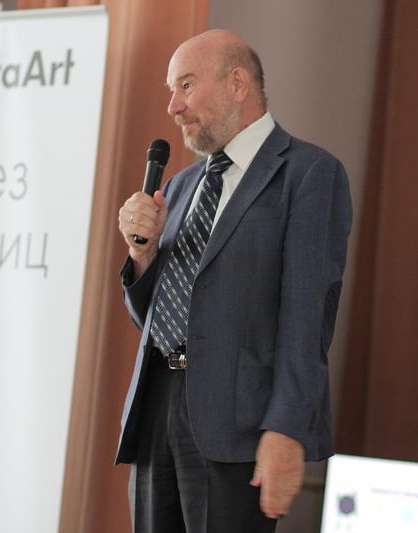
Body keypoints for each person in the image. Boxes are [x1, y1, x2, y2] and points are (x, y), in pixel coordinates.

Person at [116, 29, 352, 533]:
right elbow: (155, 317)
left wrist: (286, 429)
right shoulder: (180, 185)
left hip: (238, 426)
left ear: (238, 84)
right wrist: (142, 254)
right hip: (156, 411)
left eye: (185, 86)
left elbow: (307, 318)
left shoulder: (308, 174)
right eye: (171, 91)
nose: (173, 107)